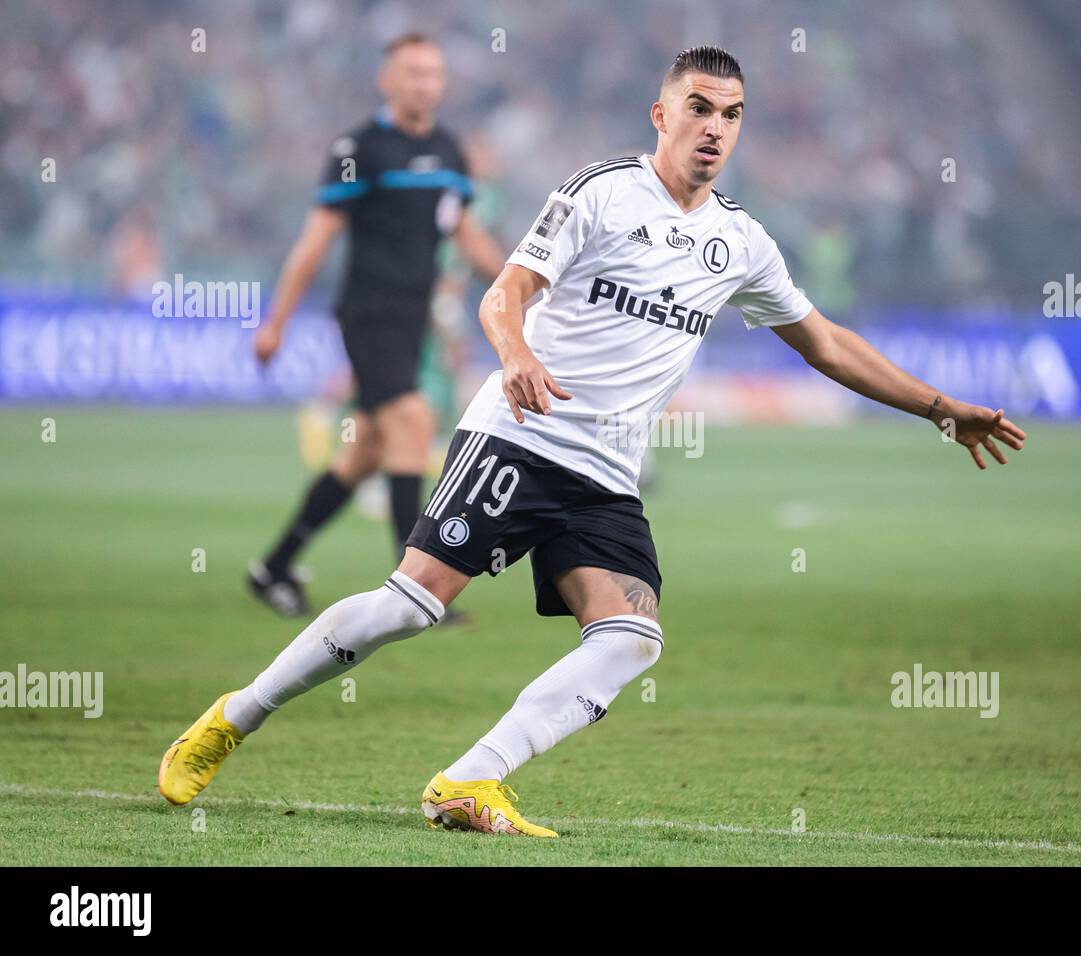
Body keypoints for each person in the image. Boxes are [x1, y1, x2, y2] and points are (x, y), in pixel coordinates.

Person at [160, 46, 1026, 837]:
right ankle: (237, 717)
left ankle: (470, 780)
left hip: (605, 476)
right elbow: (503, 293)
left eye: (730, 115)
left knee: (631, 638)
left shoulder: (741, 243)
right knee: (410, 605)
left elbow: (827, 343)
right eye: (698, 108)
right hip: (521, 436)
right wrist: (516, 353)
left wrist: (943, 408)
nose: (714, 129)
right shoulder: (600, 192)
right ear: (661, 115)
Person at [247, 32, 504, 616]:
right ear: (386, 81)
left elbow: (466, 233)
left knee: (363, 451)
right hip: (367, 315)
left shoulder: (448, 150)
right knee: (412, 421)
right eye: (412, 73)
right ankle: (412, 589)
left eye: (433, 73)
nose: (424, 84)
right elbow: (315, 239)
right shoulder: (356, 148)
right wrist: (276, 322)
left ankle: (275, 566)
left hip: (412, 319)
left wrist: (520, 283)